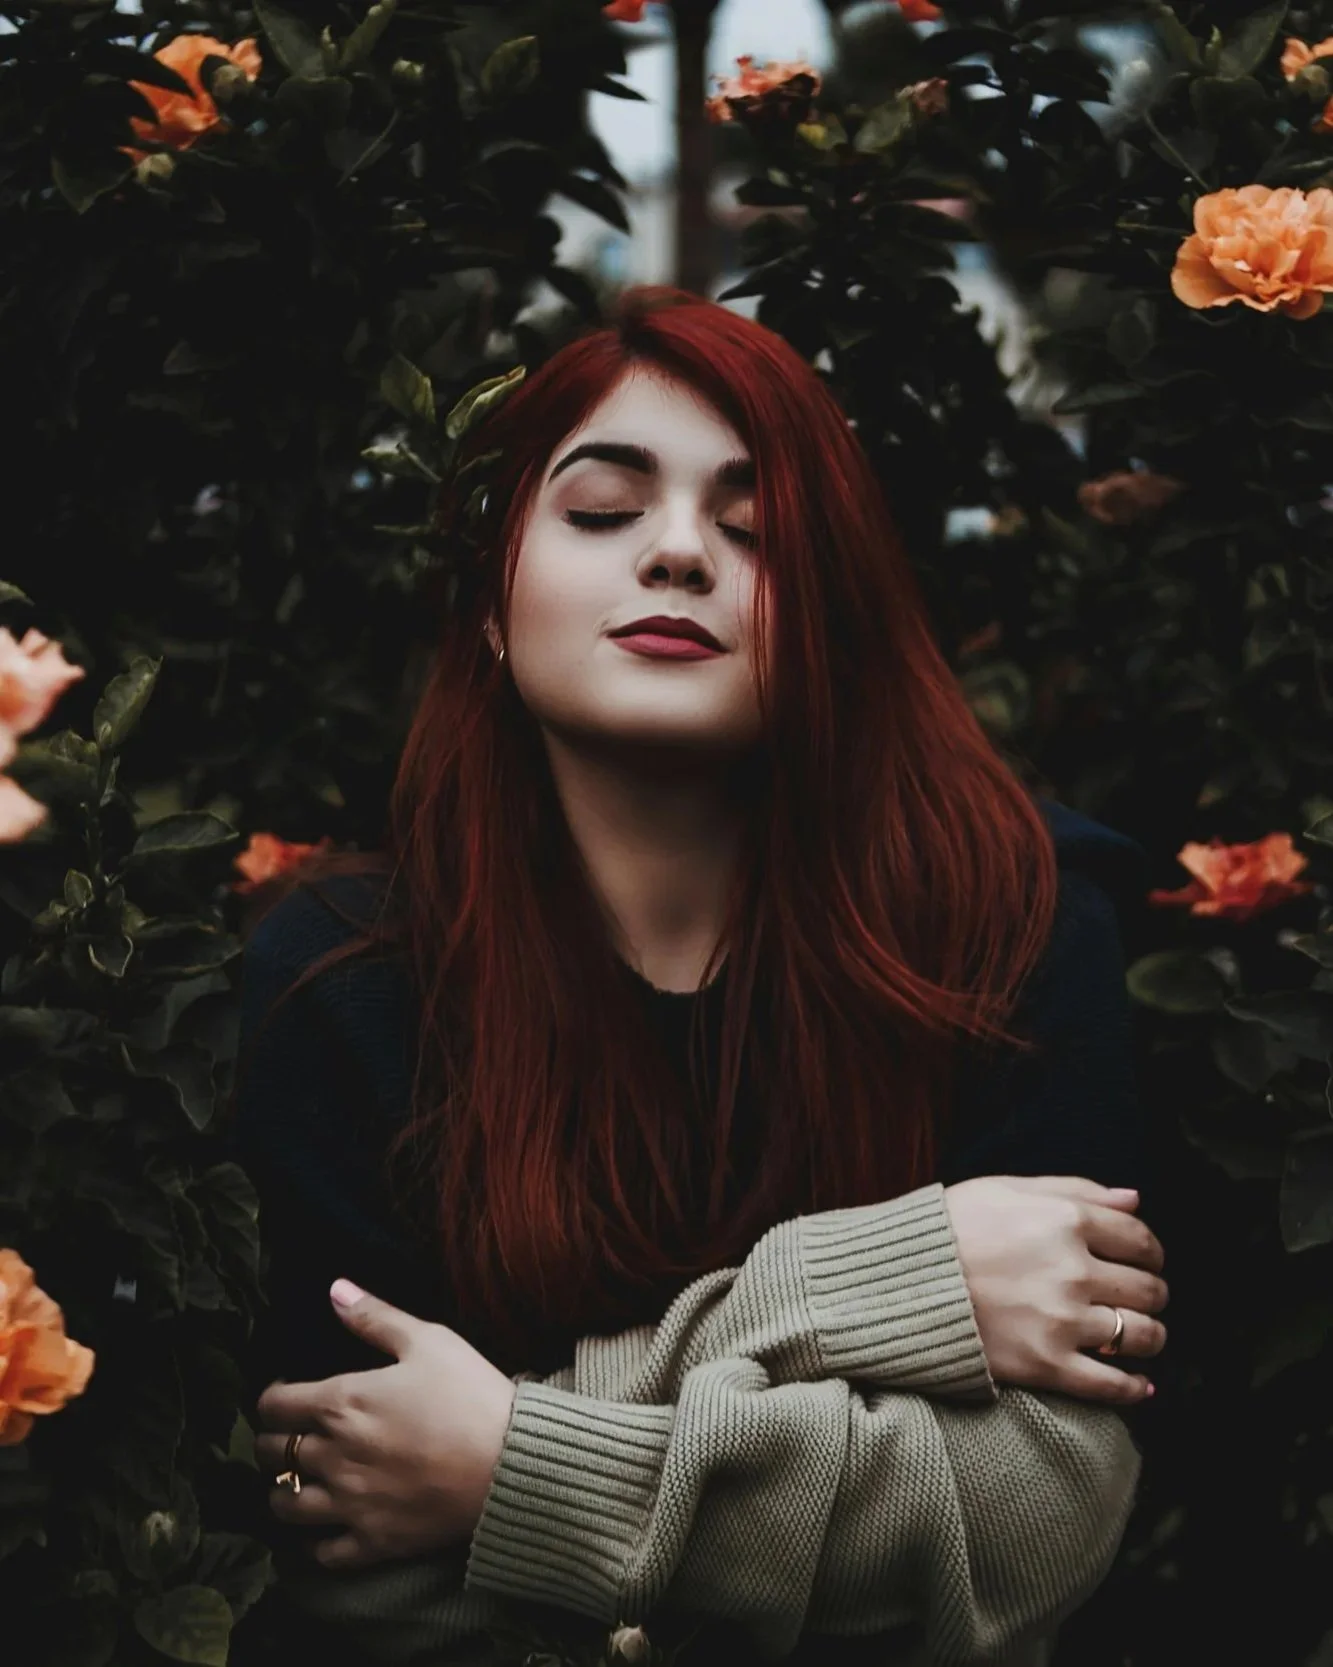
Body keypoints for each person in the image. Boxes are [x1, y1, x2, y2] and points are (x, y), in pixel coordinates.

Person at [227, 287, 1167, 1667]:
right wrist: (881, 1282)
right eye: (604, 510)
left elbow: (1040, 1519)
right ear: (490, 605)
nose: (677, 551)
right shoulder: (342, 982)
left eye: (756, 530)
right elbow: (353, 1551)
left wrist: (506, 1464)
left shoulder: (1006, 933)